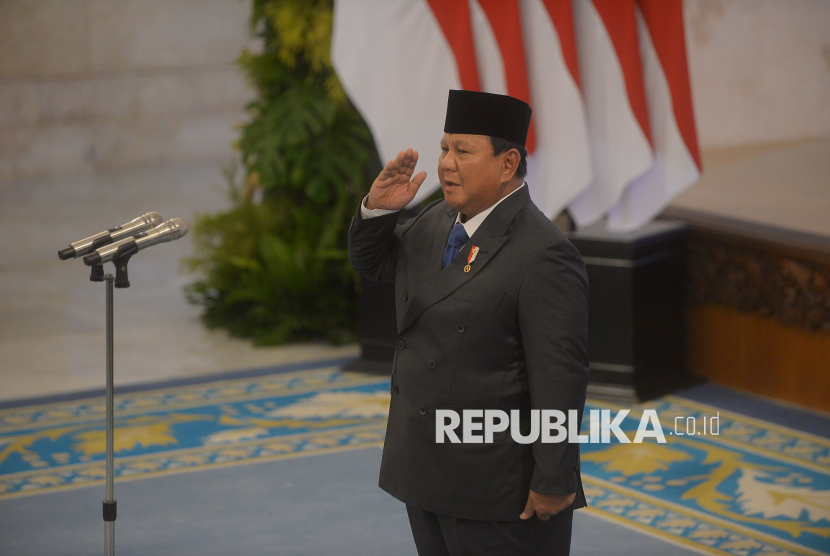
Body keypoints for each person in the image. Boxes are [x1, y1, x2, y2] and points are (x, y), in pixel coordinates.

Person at [347, 89, 589, 556]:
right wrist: (378, 210)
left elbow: (559, 378)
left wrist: (555, 478)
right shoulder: (437, 220)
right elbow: (373, 264)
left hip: (497, 488)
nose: (445, 164)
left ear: (507, 163)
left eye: (463, 151)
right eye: (443, 148)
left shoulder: (544, 255)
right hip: (425, 467)